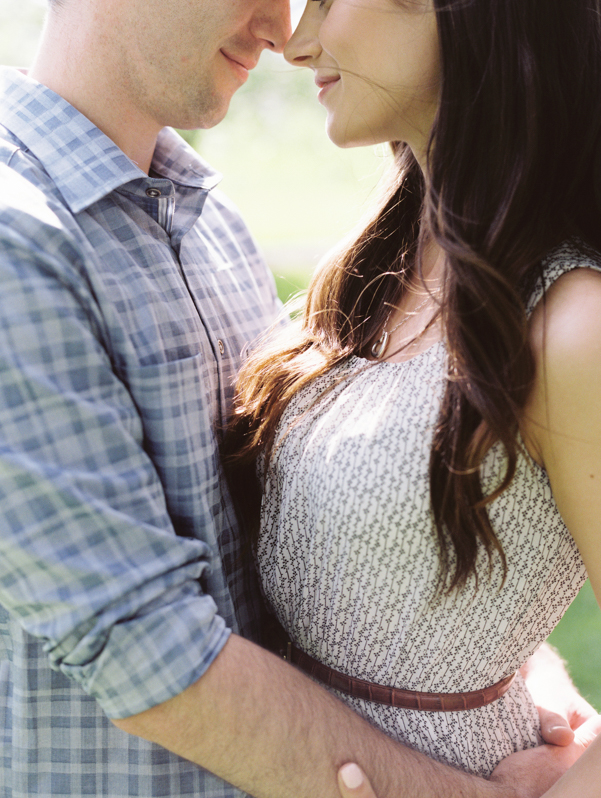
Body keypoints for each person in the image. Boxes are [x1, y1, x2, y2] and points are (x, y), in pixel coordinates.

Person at [0, 1, 596, 798]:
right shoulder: (22, 240)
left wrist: (504, 677)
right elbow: (143, 640)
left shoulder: (211, 229)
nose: (287, 34)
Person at [226, 0, 601, 792]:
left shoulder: (570, 324)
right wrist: (526, 664)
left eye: (330, 1)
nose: (295, 43)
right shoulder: (381, 259)